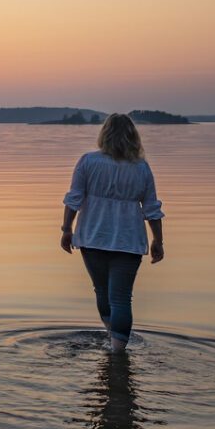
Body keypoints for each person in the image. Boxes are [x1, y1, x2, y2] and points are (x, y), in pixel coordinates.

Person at [60, 113, 165, 352]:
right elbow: (151, 208)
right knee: (121, 298)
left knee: (103, 292)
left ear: (104, 135)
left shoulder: (88, 162)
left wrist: (67, 229)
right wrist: (158, 240)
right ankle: (118, 351)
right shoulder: (142, 169)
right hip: (128, 241)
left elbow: (74, 200)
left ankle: (113, 343)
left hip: (93, 237)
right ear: (133, 137)